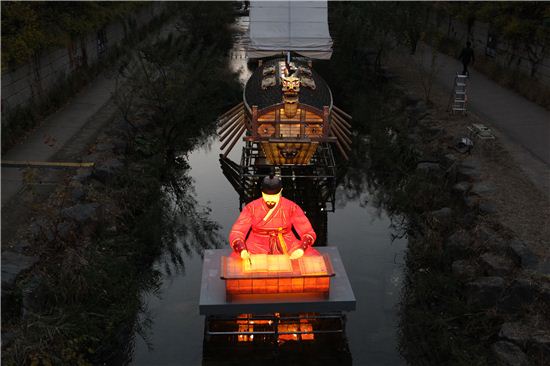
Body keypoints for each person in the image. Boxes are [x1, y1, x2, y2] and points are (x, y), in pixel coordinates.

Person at [229, 175, 318, 260]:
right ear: (262, 193)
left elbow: (307, 232)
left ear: (281, 191)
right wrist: (242, 250)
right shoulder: (251, 208)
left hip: (287, 242)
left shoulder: (291, 207)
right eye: (266, 196)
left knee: (310, 259)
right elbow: (238, 232)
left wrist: (301, 249)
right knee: (240, 262)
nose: (270, 200)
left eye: (274, 196)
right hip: (257, 244)